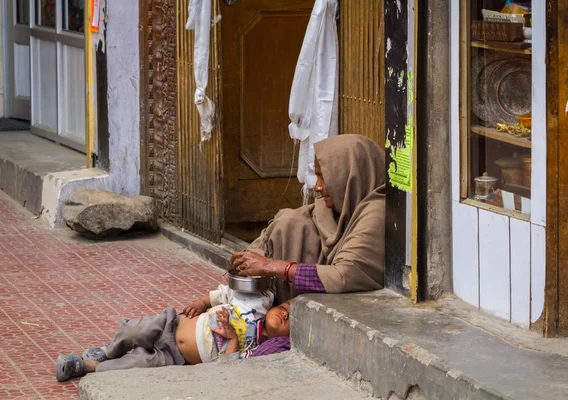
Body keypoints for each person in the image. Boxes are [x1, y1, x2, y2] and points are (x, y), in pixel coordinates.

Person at [231, 134, 385, 302]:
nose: (317, 187)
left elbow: (343, 275)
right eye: (317, 177)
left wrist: (271, 266)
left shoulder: (377, 212)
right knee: (290, 222)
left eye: (324, 178)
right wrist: (249, 261)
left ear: (350, 177)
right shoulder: (337, 208)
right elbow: (295, 222)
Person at [55, 285, 292, 382]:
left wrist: (232, 338)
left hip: (176, 358)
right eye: (284, 308)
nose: (284, 314)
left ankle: (86, 366)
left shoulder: (259, 348)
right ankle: (108, 351)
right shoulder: (257, 300)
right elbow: (222, 294)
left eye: (290, 319)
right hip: (171, 324)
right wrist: (201, 302)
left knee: (135, 365)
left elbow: (229, 366)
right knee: (133, 330)